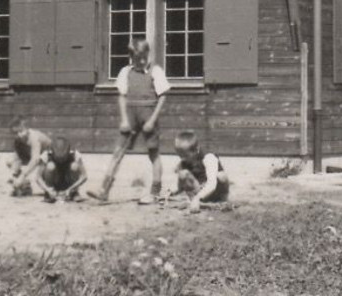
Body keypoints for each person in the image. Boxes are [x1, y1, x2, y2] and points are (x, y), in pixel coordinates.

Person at [90, 38, 170, 204]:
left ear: (147, 54)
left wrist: (152, 120)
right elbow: (122, 97)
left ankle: (155, 192)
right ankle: (104, 190)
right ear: (131, 57)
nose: (141, 61)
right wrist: (124, 120)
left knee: (153, 153)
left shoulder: (156, 71)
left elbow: (162, 97)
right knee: (118, 152)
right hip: (130, 115)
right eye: (137, 58)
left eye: (143, 57)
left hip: (149, 114)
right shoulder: (125, 72)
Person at [172, 131, 229, 212]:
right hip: (199, 189)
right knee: (183, 173)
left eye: (185, 155)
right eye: (180, 156)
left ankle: (220, 202)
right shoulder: (185, 161)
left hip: (214, 190)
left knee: (221, 176)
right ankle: (197, 202)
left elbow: (212, 184)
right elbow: (181, 180)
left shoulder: (208, 157)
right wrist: (175, 191)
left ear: (196, 150)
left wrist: (197, 198)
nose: (182, 159)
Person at [34, 134, 88, 202]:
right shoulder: (46, 154)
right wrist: (47, 189)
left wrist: (71, 189)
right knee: (50, 166)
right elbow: (37, 177)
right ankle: (49, 194)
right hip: (54, 181)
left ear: (68, 151)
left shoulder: (75, 154)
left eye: (63, 158)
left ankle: (74, 193)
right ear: (53, 152)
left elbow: (84, 176)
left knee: (74, 166)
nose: (61, 161)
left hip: (69, 183)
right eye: (58, 158)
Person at [8, 118, 53, 196]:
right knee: (9, 162)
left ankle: (52, 187)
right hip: (38, 156)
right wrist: (15, 175)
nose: (18, 135)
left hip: (51, 157)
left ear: (26, 129)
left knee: (45, 171)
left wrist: (22, 176)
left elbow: (35, 159)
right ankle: (25, 187)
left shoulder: (34, 137)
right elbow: (16, 158)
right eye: (15, 133)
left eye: (20, 131)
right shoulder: (17, 140)